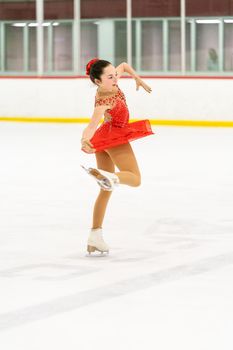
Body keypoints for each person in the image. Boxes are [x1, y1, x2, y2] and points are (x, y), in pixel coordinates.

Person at [81, 58, 154, 255]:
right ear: (98, 81)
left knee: (106, 189)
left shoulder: (110, 81)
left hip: (104, 138)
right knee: (135, 178)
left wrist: (137, 78)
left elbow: (123, 65)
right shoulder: (104, 101)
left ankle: (95, 236)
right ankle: (111, 177)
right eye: (111, 76)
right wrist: (84, 140)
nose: (116, 78)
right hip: (115, 136)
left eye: (115, 75)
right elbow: (91, 125)